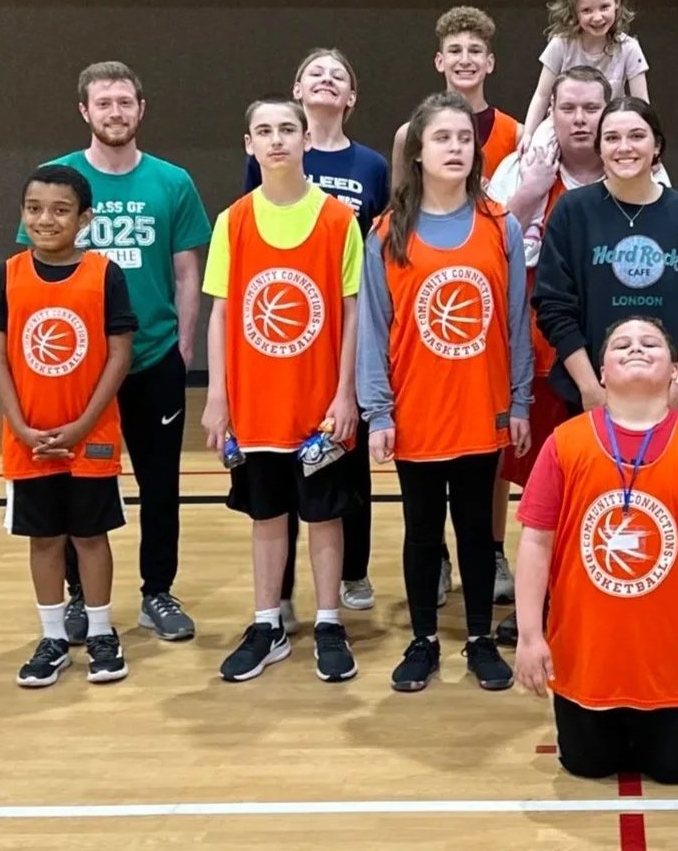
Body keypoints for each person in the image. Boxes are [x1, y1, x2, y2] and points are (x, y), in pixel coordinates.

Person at [513, 317, 678, 785]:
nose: (635, 349)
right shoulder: (564, 444)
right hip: (587, 658)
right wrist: (529, 637)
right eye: (621, 343)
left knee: (675, 769)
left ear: (676, 368)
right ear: (601, 372)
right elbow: (535, 543)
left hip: (673, 656)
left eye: (650, 343)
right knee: (584, 764)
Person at [23, 61, 208, 646]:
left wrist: (181, 348)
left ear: (141, 109)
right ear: (85, 111)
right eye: (104, 103)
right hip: (79, 369)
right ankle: (81, 598)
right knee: (81, 484)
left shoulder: (172, 182)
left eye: (125, 102)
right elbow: (36, 270)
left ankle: (158, 591)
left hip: (153, 360)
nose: (115, 112)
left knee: (160, 485)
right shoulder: (59, 180)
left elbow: (186, 272)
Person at [362, 92, 531, 693]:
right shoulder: (387, 233)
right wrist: (377, 411)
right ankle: (424, 640)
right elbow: (374, 331)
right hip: (417, 409)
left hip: (482, 405)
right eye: (443, 138)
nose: (456, 148)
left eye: (464, 138)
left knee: (479, 531)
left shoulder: (500, 224)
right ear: (418, 153)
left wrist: (520, 401)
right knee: (422, 529)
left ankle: (481, 638)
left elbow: (514, 323)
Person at [203, 98, 365, 684]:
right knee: (266, 514)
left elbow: (350, 316)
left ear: (305, 140)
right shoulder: (233, 220)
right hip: (255, 402)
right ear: (249, 144)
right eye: (264, 131)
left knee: (325, 515)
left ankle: (327, 621)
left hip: (318, 402)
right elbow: (221, 314)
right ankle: (267, 623)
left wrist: (346, 393)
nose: (276, 140)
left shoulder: (338, 221)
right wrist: (218, 395)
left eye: (287, 129)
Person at [488, 66, 638, 639]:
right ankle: (545, 600)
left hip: (617, 362)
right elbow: (490, 252)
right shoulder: (518, 168)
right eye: (567, 107)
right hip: (539, 358)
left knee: (608, 485)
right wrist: (527, 193)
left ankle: (599, 592)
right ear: (549, 110)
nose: (580, 119)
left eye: (591, 108)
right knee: (546, 490)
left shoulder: (636, 166)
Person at [243, 48, 390, 622]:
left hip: (343, 321)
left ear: (351, 98)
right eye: (315, 73)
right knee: (279, 468)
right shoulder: (270, 160)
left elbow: (378, 241)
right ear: (297, 89)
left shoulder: (372, 165)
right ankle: (277, 591)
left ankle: (351, 571)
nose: (327, 80)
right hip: (285, 327)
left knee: (342, 460)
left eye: (340, 76)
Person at [0, 165, 136, 687]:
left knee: (91, 535)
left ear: (84, 218)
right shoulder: (6, 275)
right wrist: (22, 427)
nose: (45, 219)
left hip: (89, 437)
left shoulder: (105, 274)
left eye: (59, 209)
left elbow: (120, 354)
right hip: (28, 439)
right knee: (45, 538)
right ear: (23, 214)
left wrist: (83, 423)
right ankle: (52, 636)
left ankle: (100, 631)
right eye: (34, 208)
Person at [534, 97, 678, 422]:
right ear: (599, 149)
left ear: (657, 147)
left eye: (637, 136)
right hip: (593, 392)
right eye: (612, 138)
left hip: (671, 392)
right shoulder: (573, 211)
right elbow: (554, 307)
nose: (625, 147)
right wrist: (590, 388)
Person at [392, 5, 524, 189]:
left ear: (490, 63)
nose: (465, 60)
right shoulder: (409, 134)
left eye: (475, 51)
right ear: (440, 61)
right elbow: (400, 207)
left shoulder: (515, 135)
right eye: (455, 51)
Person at [518, 0, 651, 141]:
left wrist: (649, 142)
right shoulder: (561, 45)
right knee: (538, 153)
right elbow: (542, 95)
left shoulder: (628, 48)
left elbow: (641, 103)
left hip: (609, 128)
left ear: (617, 2)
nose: (597, 17)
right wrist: (528, 134)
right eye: (587, 10)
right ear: (574, 11)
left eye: (604, 7)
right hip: (565, 128)